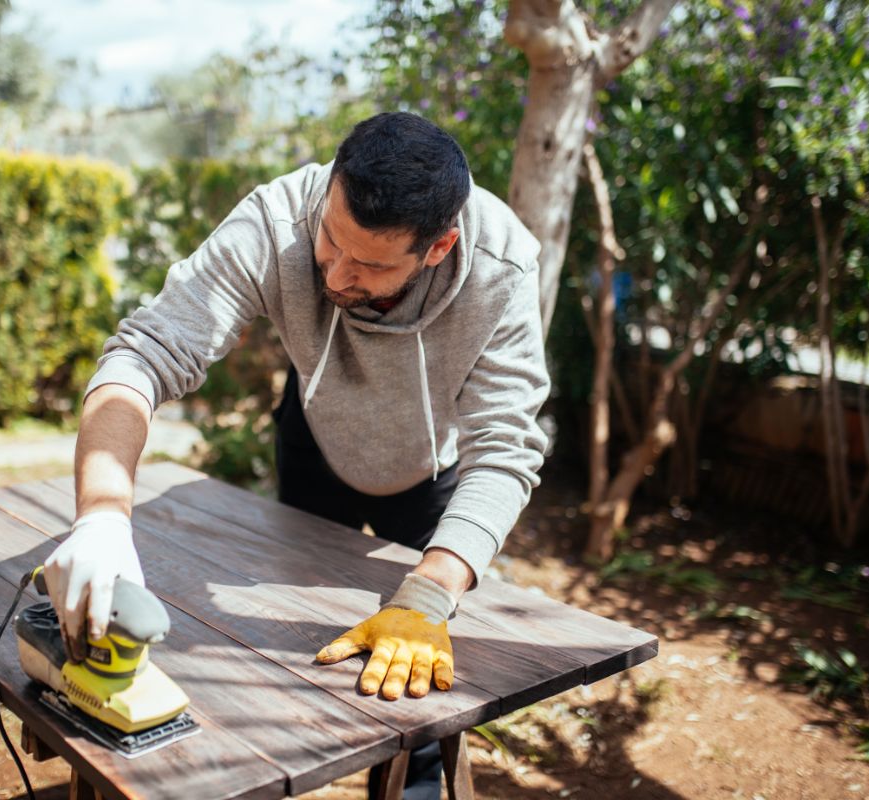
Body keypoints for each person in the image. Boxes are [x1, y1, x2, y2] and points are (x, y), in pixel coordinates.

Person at [43, 111, 550, 799]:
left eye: (369, 264)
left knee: (416, 683)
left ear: (438, 247)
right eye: (331, 241)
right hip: (315, 439)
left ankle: (412, 783)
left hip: (433, 473)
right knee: (294, 645)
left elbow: (507, 446)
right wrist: (101, 516)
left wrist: (429, 594)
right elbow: (145, 353)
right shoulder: (278, 220)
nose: (336, 272)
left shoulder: (502, 265)